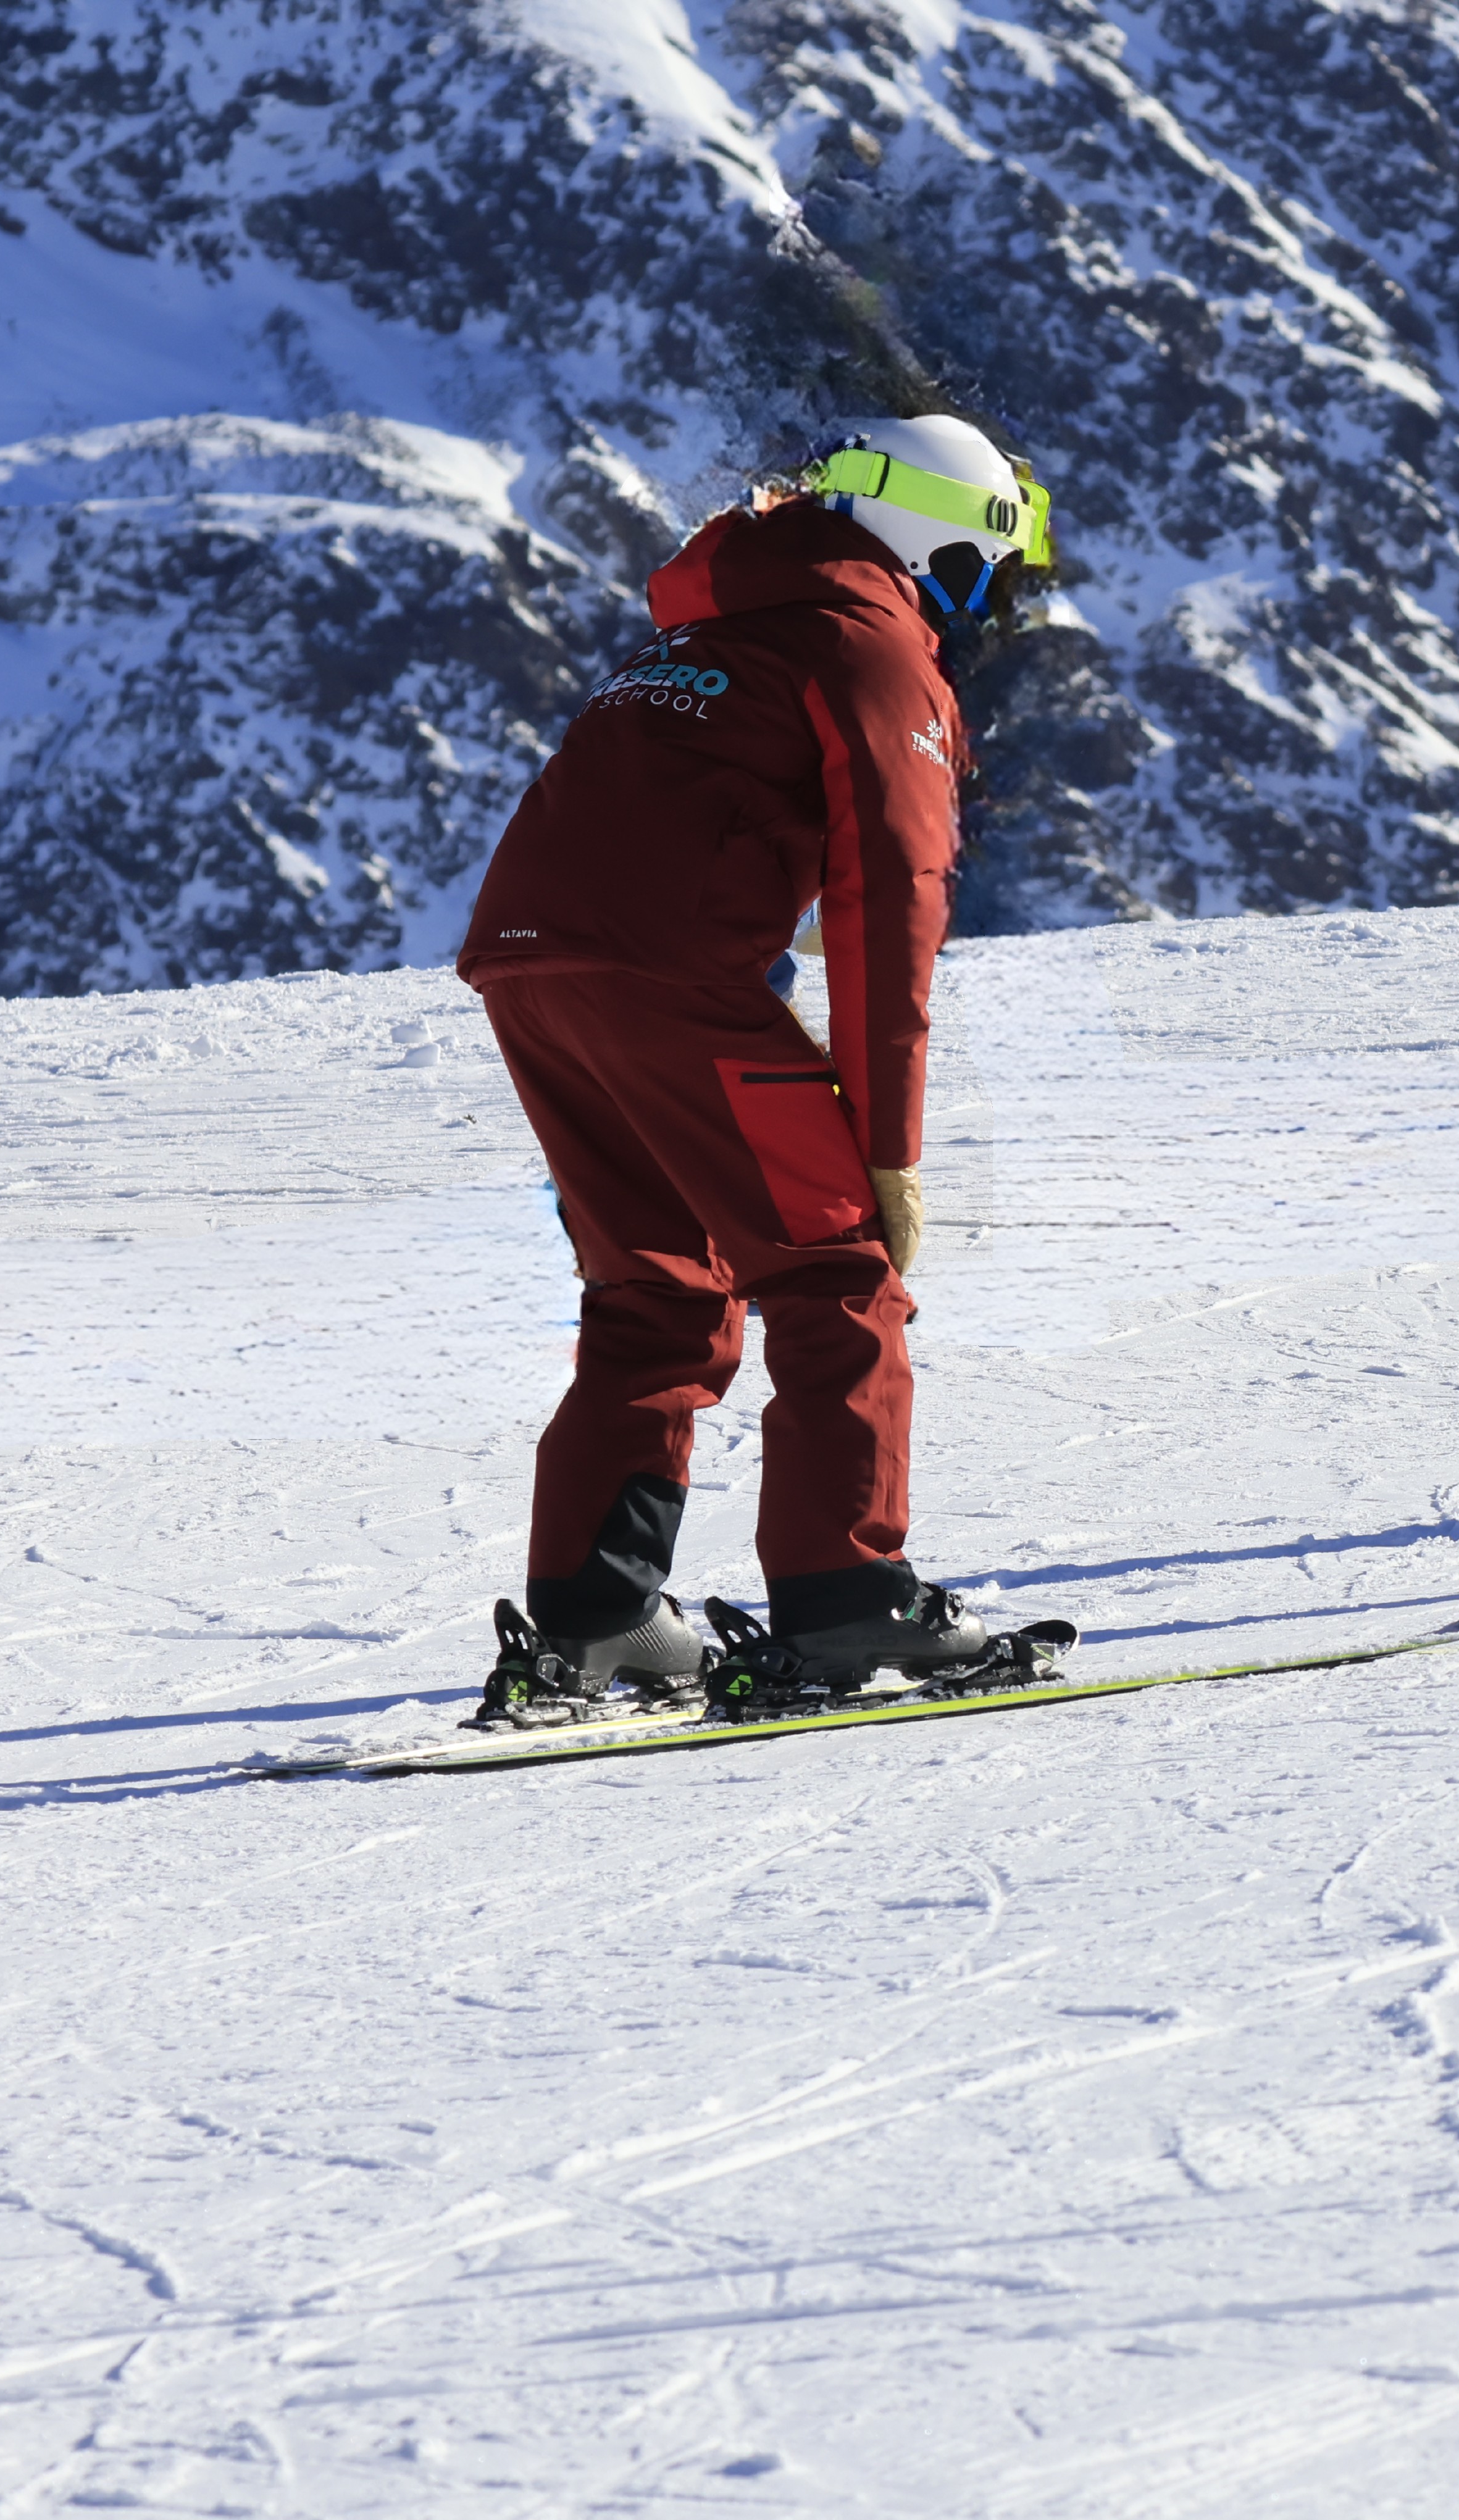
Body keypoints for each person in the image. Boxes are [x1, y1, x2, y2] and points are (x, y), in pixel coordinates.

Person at [451, 414, 1053, 1727]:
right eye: (983, 577)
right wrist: (886, 1151)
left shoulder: (717, 623)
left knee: (655, 1285)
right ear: (941, 548)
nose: (979, 613)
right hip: (673, 984)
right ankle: (847, 1604)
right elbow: (886, 904)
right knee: (837, 1272)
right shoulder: (874, 645)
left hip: (528, 967)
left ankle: (596, 1620)